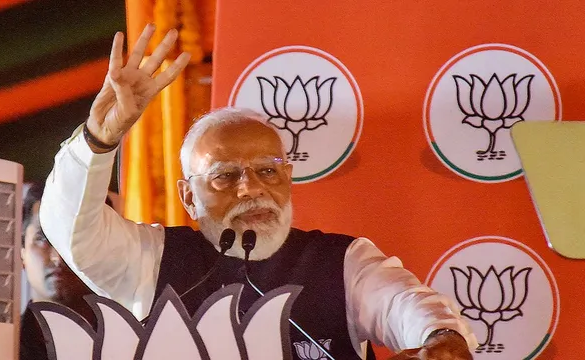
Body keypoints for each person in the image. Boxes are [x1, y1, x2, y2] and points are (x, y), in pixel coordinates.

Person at [39, 24, 478, 359]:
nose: (250, 188)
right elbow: (71, 230)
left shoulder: (342, 263)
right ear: (188, 197)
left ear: (288, 181)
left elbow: (405, 303)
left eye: (267, 171)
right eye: (225, 176)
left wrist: (440, 338)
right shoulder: (150, 260)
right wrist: (99, 138)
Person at [20, 183, 102, 359]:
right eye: (42, 238)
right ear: (21, 252)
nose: (58, 256)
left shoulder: (135, 345)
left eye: (75, 238)